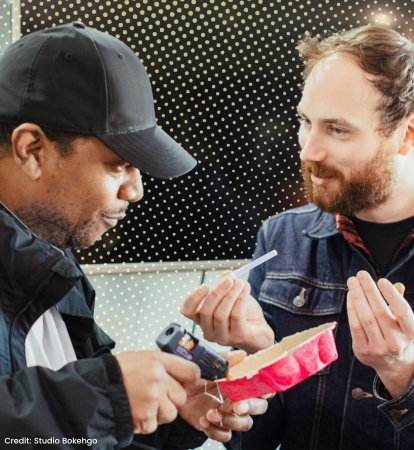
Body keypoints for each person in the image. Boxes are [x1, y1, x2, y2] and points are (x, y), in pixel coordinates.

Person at [0, 22, 269, 449]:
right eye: (117, 164)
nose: (136, 190)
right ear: (32, 149)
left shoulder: (53, 262)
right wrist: (100, 399)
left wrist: (169, 412)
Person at [181, 24, 414, 449]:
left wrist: (402, 375)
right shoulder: (281, 236)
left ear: (406, 134)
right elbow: (257, 440)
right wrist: (254, 355)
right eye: (305, 122)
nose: (308, 151)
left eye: (337, 129)